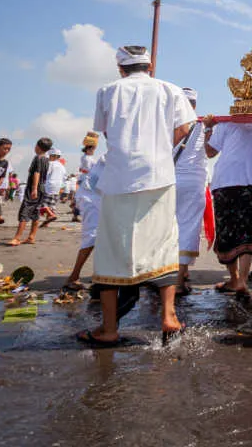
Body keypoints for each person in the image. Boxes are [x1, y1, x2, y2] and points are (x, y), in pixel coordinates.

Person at [76, 45, 195, 348]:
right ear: (149, 66)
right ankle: (169, 317)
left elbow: (104, 131)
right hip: (159, 176)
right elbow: (184, 128)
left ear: (120, 68)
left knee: (111, 250)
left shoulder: (108, 90)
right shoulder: (170, 89)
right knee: (164, 243)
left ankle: (108, 329)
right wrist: (159, 147)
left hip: (119, 178)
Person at [204, 114, 252, 297]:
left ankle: (234, 279)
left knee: (227, 232)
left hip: (226, 182)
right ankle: (242, 281)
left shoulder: (227, 123)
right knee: (248, 233)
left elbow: (210, 152)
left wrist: (208, 128)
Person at [173, 87, 208, 296]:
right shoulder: (203, 125)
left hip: (170, 180)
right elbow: (211, 152)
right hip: (194, 182)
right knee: (187, 228)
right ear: (194, 105)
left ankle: (166, 276)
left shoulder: (168, 124)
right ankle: (178, 280)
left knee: (167, 229)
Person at [62, 155, 105, 292]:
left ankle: (101, 276)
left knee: (103, 237)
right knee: (92, 237)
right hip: (91, 198)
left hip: (98, 196)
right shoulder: (115, 154)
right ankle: (73, 277)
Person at [8, 138, 53, 245]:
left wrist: (34, 189)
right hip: (42, 188)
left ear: (37, 146)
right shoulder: (46, 159)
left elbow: (37, 173)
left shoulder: (38, 158)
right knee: (35, 212)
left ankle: (17, 238)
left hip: (34, 188)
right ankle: (31, 237)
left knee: (25, 211)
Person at [41, 148, 66, 227]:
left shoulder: (50, 164)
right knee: (51, 204)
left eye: (49, 156)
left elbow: (45, 174)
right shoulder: (62, 166)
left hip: (49, 185)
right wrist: (62, 187)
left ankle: (51, 215)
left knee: (43, 203)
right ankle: (47, 223)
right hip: (58, 187)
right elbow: (64, 178)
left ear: (53, 156)